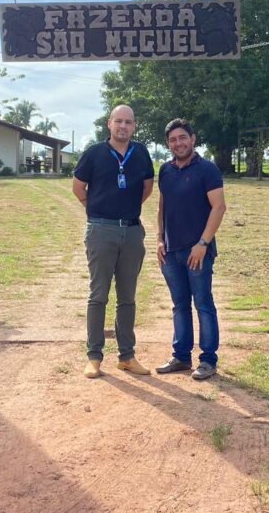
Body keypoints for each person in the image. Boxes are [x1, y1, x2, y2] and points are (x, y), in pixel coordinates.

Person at [71, 105, 155, 379]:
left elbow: (147, 187)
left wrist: (126, 210)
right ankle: (94, 356)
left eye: (128, 122)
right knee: (98, 296)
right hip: (100, 231)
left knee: (127, 298)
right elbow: (78, 187)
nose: (123, 126)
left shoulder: (141, 153)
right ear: (109, 124)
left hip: (131, 232)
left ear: (134, 126)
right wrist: (95, 210)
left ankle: (127, 357)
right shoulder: (94, 153)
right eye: (118, 121)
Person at [155, 119, 227, 380]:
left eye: (182, 138)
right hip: (171, 251)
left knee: (204, 304)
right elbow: (162, 208)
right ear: (168, 144)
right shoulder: (165, 170)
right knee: (179, 304)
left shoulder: (207, 169)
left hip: (198, 251)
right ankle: (181, 357)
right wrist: (159, 239)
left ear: (193, 139)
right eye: (173, 140)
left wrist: (202, 244)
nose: (178, 143)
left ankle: (208, 360)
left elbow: (218, 208)